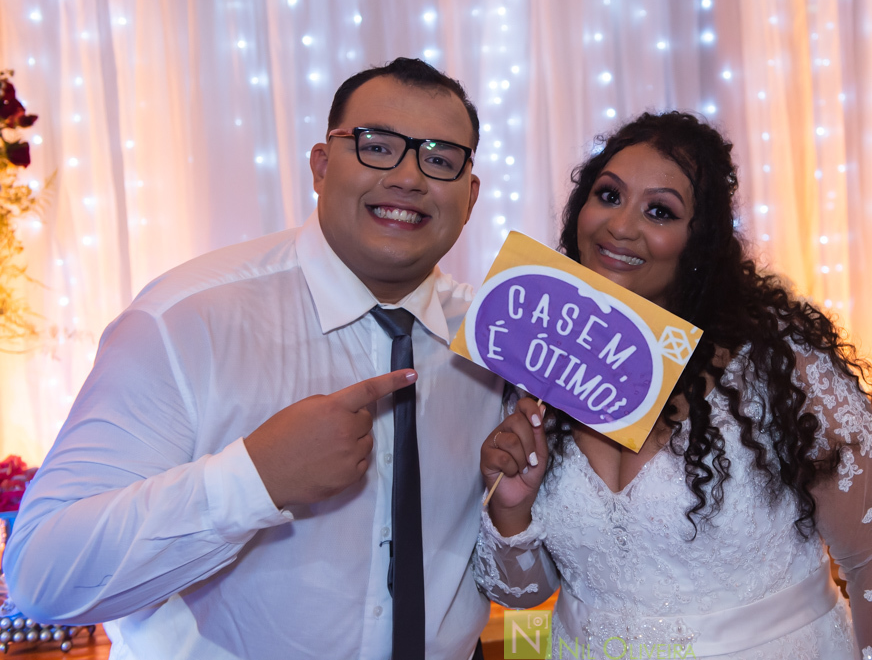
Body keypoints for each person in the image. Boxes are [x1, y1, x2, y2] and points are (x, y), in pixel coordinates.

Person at [4, 58, 505, 660]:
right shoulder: (186, 319)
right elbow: (42, 576)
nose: (407, 177)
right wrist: (254, 479)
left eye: (441, 159)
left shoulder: (493, 344)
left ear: (470, 195)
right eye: (376, 147)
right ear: (321, 166)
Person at [475, 112, 872, 659]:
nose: (620, 226)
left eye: (659, 211)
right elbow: (523, 593)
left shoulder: (780, 366)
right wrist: (511, 508)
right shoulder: (538, 360)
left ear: (701, 241)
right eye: (608, 195)